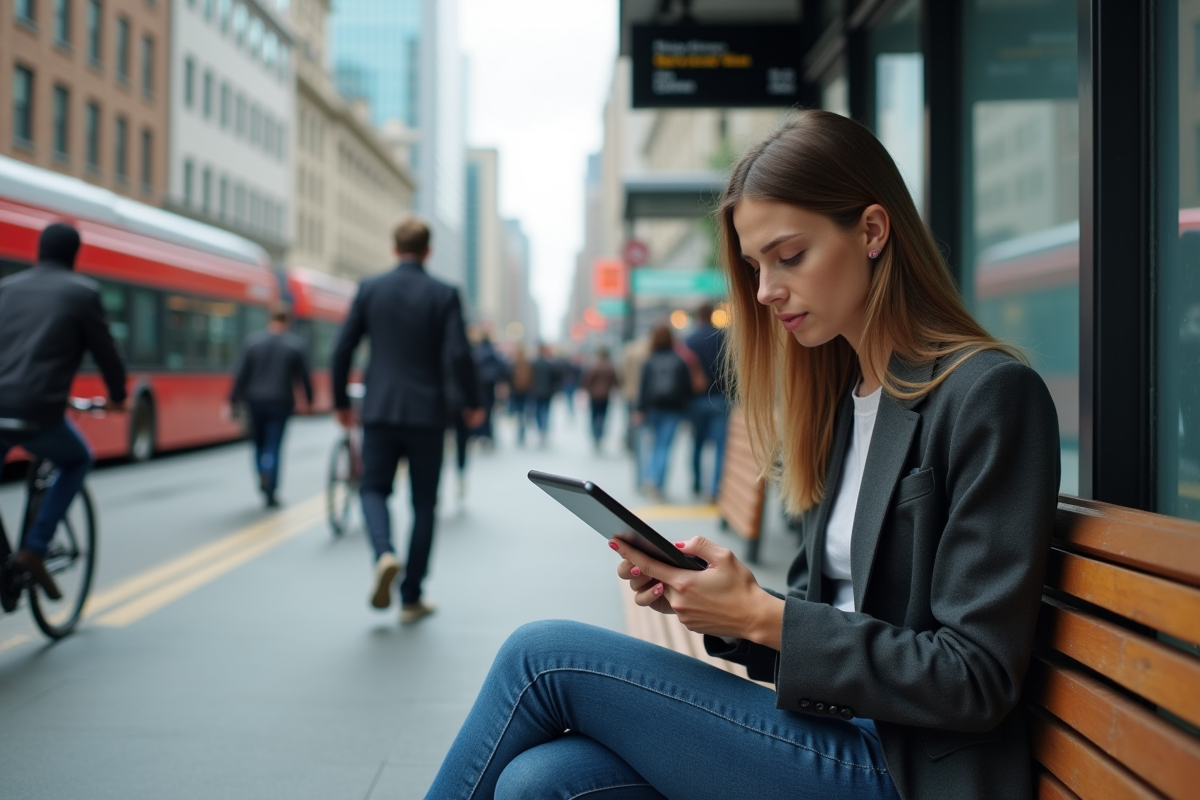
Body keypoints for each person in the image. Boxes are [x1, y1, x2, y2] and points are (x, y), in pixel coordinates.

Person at [423, 111, 1060, 800]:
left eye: (790, 256)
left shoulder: (988, 395)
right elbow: (831, 619)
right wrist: (724, 608)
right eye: (756, 266)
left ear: (873, 231)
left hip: (910, 769)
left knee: (540, 658)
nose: (765, 291)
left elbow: (975, 677)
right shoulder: (844, 399)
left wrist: (762, 614)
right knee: (540, 780)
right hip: (843, 736)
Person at [331, 216, 483, 624]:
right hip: (427, 414)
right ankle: (412, 596)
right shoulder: (444, 293)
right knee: (424, 505)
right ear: (428, 250)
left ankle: (383, 553)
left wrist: (340, 400)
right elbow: (458, 354)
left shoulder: (370, 289)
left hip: (379, 408)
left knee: (373, 489)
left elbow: (342, 348)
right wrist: (472, 400)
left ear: (394, 248)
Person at [0, 222, 127, 599]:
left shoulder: (6, 288)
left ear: (40, 250)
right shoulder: (82, 293)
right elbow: (106, 353)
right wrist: (118, 397)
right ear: (74, 254)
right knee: (77, 459)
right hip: (38, 411)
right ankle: (34, 550)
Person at [229, 307, 313, 508]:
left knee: (258, 444)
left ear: (269, 318)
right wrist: (309, 400)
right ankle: (271, 487)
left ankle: (262, 473)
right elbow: (304, 377)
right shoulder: (295, 345)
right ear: (288, 320)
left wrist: (233, 400)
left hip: (254, 401)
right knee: (274, 445)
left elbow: (241, 374)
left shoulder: (252, 342)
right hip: (281, 402)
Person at [634, 324, 693, 500]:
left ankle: (649, 478)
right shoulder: (679, 360)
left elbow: (643, 388)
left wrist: (639, 410)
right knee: (664, 447)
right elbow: (687, 388)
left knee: (651, 446)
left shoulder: (649, 361)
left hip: (653, 409)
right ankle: (657, 483)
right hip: (673, 410)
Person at [685, 302, 731, 500]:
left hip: (695, 400)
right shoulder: (722, 337)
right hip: (720, 397)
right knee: (721, 445)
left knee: (696, 443)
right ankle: (715, 489)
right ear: (711, 315)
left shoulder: (688, 340)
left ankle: (696, 482)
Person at [579, 347, 620, 452]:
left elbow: (588, 380)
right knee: (603, 415)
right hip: (605, 396)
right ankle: (600, 433)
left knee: (594, 415)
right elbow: (616, 381)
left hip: (594, 395)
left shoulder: (595, 366)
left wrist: (588, 389)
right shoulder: (610, 367)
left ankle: (595, 434)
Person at [529, 344, 562, 447]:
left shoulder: (534, 364)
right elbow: (557, 377)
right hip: (547, 392)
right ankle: (544, 429)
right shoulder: (549, 364)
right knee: (546, 411)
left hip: (536, 392)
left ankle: (541, 429)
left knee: (538, 411)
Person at [508, 346, 533, 446]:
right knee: (523, 411)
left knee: (518, 412)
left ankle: (519, 430)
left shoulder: (513, 363)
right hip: (525, 392)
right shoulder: (528, 364)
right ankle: (522, 430)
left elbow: (509, 377)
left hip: (515, 392)